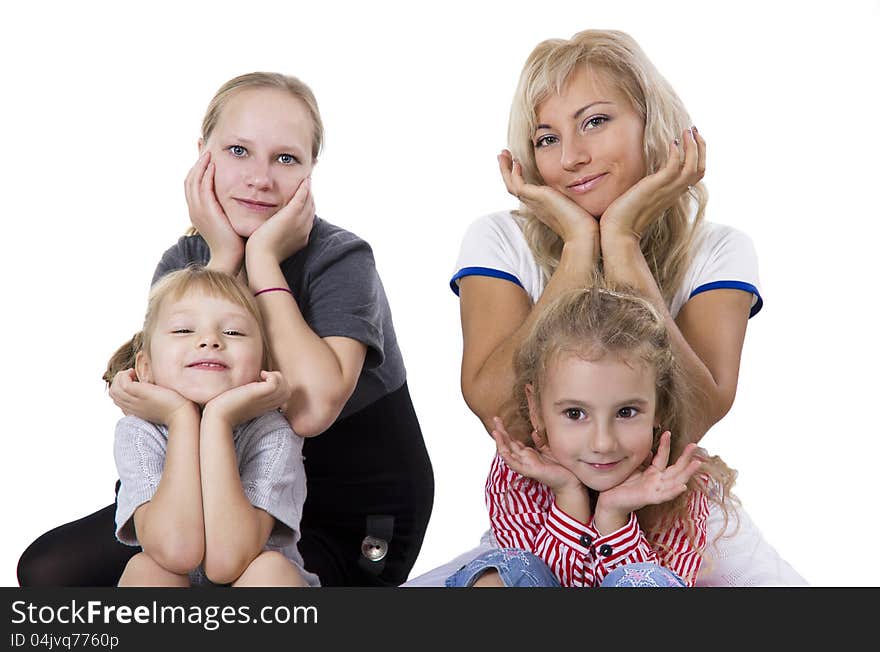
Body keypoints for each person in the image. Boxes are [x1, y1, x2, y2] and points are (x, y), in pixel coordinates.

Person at [406, 29, 804, 586]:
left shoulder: (720, 249)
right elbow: (499, 411)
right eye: (547, 139)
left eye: (595, 122)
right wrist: (576, 249)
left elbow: (693, 413)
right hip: (541, 516)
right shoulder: (499, 239)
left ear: (652, 123)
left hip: (675, 519)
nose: (571, 158)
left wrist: (621, 242)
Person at [18, 72, 434, 587]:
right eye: (239, 151)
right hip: (226, 482)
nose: (260, 178)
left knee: (244, 584)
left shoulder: (341, 259)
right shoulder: (189, 258)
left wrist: (261, 262)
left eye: (286, 159)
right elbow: (178, 387)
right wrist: (224, 258)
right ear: (202, 155)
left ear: (311, 171)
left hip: (346, 509)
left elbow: (308, 410)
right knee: (49, 571)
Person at [446, 287, 737, 587]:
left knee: (645, 579)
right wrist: (568, 496)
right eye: (575, 414)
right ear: (536, 409)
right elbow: (537, 582)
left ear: (659, 408)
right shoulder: (518, 475)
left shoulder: (680, 487)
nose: (602, 443)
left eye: (626, 412)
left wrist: (613, 515)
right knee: (507, 568)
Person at [107, 266, 317, 587]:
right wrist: (181, 418)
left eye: (233, 332)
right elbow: (176, 551)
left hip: (251, 586)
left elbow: (227, 563)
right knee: (147, 569)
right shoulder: (138, 432)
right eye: (182, 330)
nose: (210, 341)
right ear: (145, 368)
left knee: (269, 570)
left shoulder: (273, 433)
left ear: (264, 366)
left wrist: (218, 419)